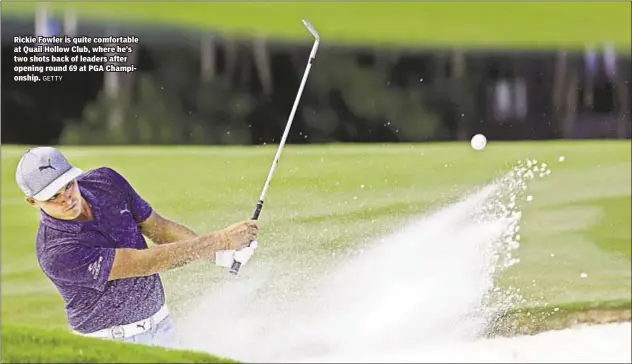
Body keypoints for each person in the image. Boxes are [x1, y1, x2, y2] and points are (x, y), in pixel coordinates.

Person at [15, 146, 260, 349]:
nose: (66, 198)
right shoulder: (55, 251)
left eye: (68, 185)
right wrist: (221, 240)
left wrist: (218, 255)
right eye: (52, 197)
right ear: (32, 202)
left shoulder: (106, 182)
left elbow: (159, 228)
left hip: (162, 329)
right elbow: (145, 263)